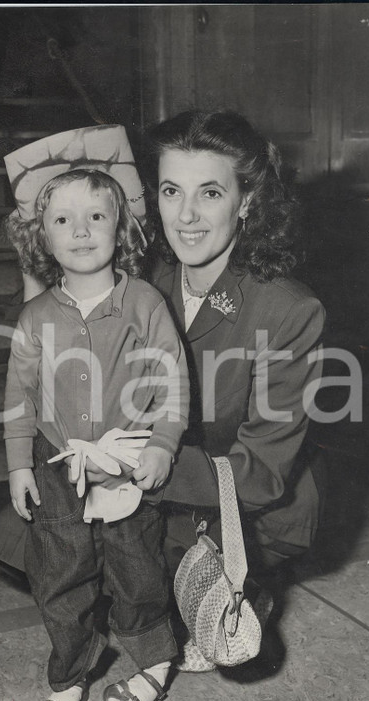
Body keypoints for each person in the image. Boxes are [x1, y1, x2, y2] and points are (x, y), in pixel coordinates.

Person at [79, 110, 326, 671]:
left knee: (183, 610)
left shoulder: (287, 308)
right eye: (171, 190)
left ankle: (250, 582)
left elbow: (262, 472)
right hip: (167, 473)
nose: (186, 216)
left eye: (209, 192)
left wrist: (132, 468)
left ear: (246, 201)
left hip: (246, 498)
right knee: (53, 542)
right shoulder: (148, 279)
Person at [1, 125, 190, 701]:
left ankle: (153, 662)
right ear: (40, 236)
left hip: (130, 457)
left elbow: (173, 379)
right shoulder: (35, 316)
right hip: (58, 464)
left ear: (123, 228)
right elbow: (18, 396)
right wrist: (17, 464)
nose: (80, 231)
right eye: (62, 219)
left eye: (95, 216)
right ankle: (71, 672)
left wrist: (162, 442)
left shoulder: (143, 304)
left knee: (136, 565)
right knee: (62, 572)